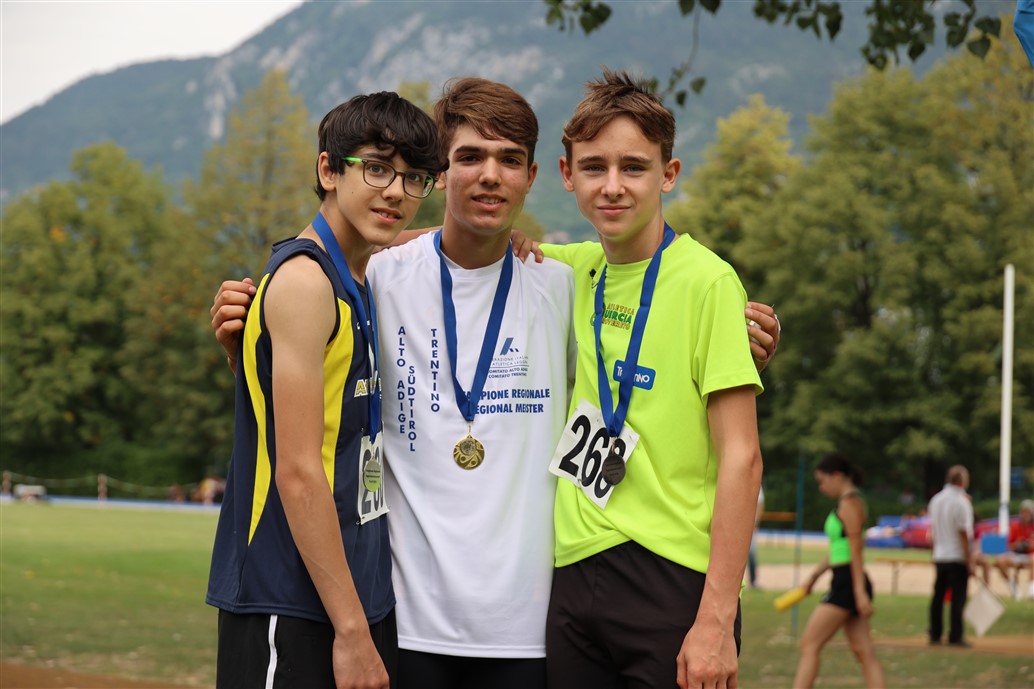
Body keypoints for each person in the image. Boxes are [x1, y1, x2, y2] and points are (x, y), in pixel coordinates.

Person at [212, 77, 781, 689]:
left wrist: (737, 342)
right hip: (404, 623)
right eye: (469, 157)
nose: (489, 175)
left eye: (509, 159)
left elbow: (652, 322)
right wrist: (251, 330)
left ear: (534, 176)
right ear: (442, 173)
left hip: (534, 632)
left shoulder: (562, 279)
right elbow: (322, 358)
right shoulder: (377, 275)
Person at [529, 69, 764, 689]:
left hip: (672, 579)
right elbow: (453, 244)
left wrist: (717, 618)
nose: (612, 186)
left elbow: (742, 458)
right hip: (573, 571)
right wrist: (322, 258)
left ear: (669, 173)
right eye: (594, 167)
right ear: (566, 174)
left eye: (633, 167)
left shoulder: (709, 282)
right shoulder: (571, 269)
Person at [205, 91, 445, 689]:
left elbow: (418, 238)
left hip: (351, 594)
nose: (396, 192)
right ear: (328, 170)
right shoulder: (306, 283)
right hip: (289, 598)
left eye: (414, 178)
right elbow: (297, 471)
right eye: (377, 168)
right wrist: (353, 631)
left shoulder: (357, 274)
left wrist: (498, 237)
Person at [792, 453, 885, 689]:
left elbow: (856, 549)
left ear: (837, 476)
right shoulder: (846, 503)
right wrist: (814, 577)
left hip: (848, 583)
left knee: (809, 644)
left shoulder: (850, 503)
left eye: (822, 481)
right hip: (847, 579)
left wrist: (859, 592)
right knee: (863, 651)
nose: (821, 487)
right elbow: (838, 550)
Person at [927, 464, 975, 647]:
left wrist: (934, 552)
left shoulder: (936, 500)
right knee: (958, 597)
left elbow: (933, 530)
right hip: (956, 555)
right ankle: (955, 635)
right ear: (962, 481)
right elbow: (963, 533)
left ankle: (935, 633)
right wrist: (969, 559)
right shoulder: (962, 502)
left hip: (940, 554)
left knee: (938, 596)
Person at [982, 499, 1034, 599]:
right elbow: (1008, 546)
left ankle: (1032, 589)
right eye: (1024, 512)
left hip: (1030, 555)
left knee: (1033, 559)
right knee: (1000, 560)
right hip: (1016, 554)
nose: (1026, 514)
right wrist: (1017, 544)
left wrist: (1030, 545)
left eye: (1028, 512)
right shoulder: (1015, 526)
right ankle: (1013, 586)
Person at [747, 485, 766, 589]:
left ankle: (753, 581)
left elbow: (760, 504)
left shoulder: (757, 485)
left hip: (750, 525)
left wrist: (755, 522)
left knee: (752, 553)